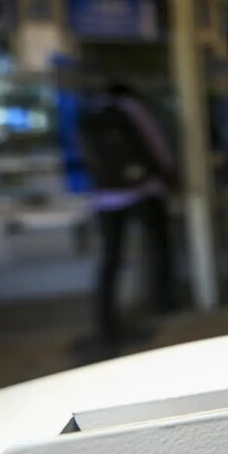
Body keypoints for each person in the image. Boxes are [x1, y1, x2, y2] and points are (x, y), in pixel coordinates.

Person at [79, 82, 177, 342]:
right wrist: (168, 173)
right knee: (159, 246)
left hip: (104, 196)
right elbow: (154, 142)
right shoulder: (131, 108)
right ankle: (162, 301)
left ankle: (106, 320)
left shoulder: (90, 112)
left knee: (111, 259)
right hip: (142, 191)